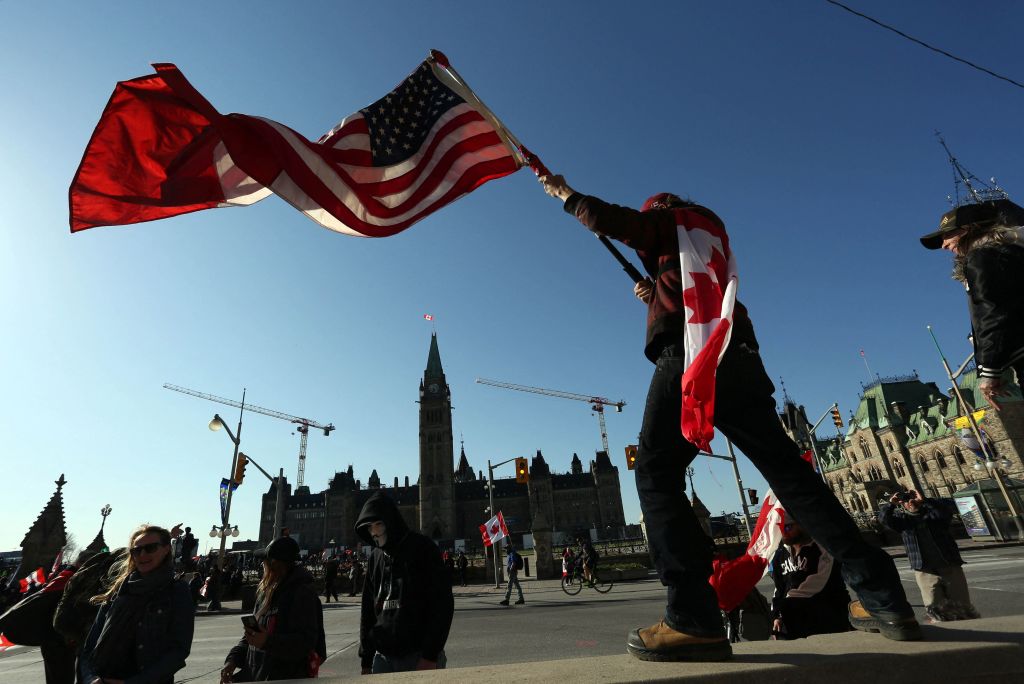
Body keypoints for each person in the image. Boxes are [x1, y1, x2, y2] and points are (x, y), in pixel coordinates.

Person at [540, 175, 920, 662]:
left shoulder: (673, 220)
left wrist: (568, 197)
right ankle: (883, 599)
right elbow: (688, 286)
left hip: (692, 355)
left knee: (656, 477)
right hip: (739, 357)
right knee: (792, 476)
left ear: (663, 212)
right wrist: (653, 292)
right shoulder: (709, 238)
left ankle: (693, 619)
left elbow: (622, 224)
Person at [919, 198, 1024, 409]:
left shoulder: (981, 257)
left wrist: (990, 371)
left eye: (948, 235)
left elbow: (992, 312)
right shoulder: (1010, 251)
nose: (943, 244)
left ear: (967, 229)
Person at [78, 525, 194, 684]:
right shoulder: (119, 590)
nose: (143, 554)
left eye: (150, 548)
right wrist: (90, 678)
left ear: (166, 549)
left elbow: (179, 651)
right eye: (136, 550)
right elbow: (89, 646)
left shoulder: (176, 591)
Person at [355, 491, 453, 674]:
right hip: (382, 658)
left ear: (390, 522)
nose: (374, 532)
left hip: (418, 656)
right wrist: (366, 659)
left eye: (378, 524)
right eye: (369, 527)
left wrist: (430, 656)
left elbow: (442, 605)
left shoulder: (423, 549)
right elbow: (367, 612)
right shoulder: (375, 557)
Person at [221, 536, 326, 682]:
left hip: (285, 677)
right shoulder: (265, 592)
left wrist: (267, 641)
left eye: (264, 561)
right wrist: (232, 660)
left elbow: (306, 643)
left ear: (274, 563)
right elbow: (250, 638)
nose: (262, 566)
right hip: (256, 675)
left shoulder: (302, 593)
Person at [878, 490, 979, 622]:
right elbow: (884, 519)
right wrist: (891, 504)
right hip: (925, 570)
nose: (910, 502)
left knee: (962, 607)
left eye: (912, 498)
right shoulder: (903, 521)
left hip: (950, 566)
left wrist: (925, 500)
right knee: (934, 610)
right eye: (907, 500)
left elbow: (946, 511)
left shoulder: (935, 517)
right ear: (902, 504)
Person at [770, 518, 852, 639]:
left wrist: (783, 609)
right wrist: (776, 616)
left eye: (787, 527)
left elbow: (814, 585)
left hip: (827, 617)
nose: (783, 532)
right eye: (780, 528)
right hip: (793, 618)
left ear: (803, 525)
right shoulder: (780, 554)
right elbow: (779, 587)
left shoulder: (823, 548)